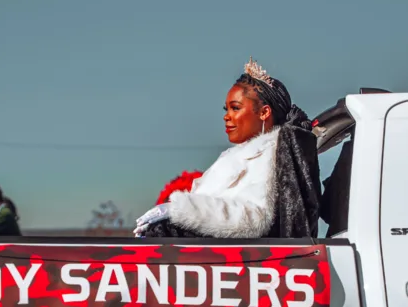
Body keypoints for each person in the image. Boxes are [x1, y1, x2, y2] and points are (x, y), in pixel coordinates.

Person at [134, 58, 321, 239]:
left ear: (264, 112)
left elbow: (255, 218)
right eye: (226, 109)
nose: (227, 116)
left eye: (236, 108)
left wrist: (181, 212)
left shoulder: (272, 153)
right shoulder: (235, 155)